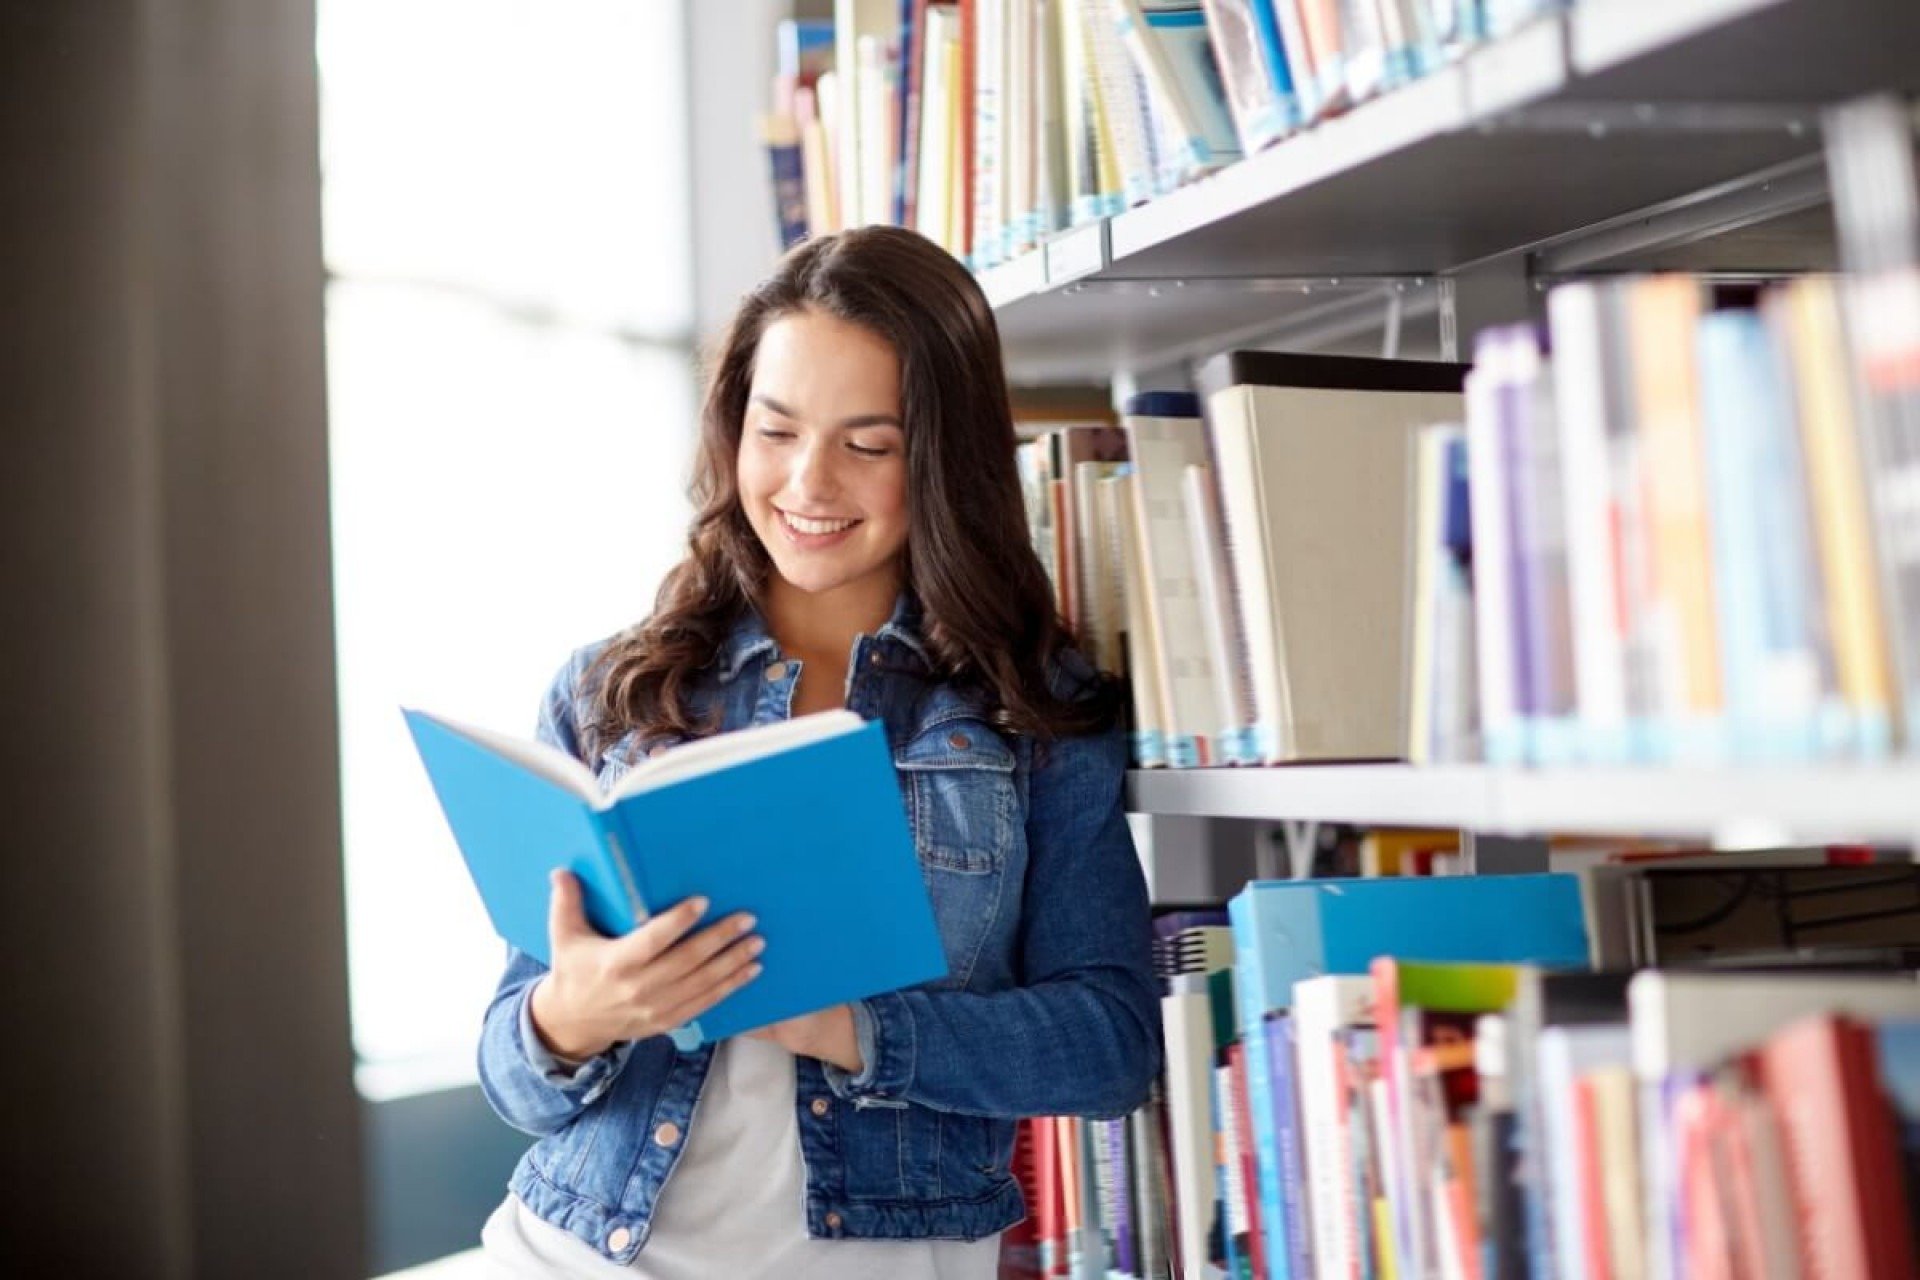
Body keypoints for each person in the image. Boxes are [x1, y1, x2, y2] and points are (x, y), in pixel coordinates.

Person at [474, 225, 1162, 1278]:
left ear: (941, 458)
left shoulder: (1031, 708)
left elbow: (1110, 1043)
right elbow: (512, 1080)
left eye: (867, 444)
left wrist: (855, 1026)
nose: (807, 480)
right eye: (776, 429)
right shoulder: (611, 689)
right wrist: (574, 1013)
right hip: (576, 1250)